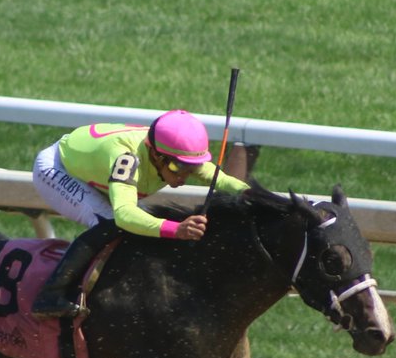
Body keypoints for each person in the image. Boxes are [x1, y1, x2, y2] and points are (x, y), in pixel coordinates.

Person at [29, 109, 250, 318]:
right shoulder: (126, 159)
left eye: (190, 168)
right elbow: (124, 215)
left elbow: (219, 178)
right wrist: (176, 229)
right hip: (57, 168)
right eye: (177, 168)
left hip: (94, 167)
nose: (184, 176)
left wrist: (255, 194)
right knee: (110, 223)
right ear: (155, 154)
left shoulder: (174, 155)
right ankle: (50, 296)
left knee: (142, 225)